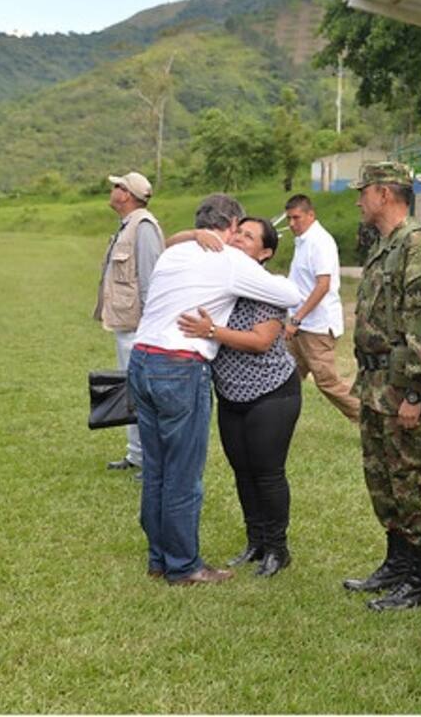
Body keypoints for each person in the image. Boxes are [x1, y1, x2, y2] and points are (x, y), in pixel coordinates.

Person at [128, 194, 301, 586]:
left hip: (142, 361)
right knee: (183, 475)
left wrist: (192, 234)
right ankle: (184, 565)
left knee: (155, 468)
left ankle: (159, 558)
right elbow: (291, 296)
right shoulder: (228, 258)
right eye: (236, 231)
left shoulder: (175, 252)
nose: (238, 238)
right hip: (178, 366)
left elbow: (172, 241)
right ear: (229, 225)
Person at [342, 162, 421, 612]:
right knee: (384, 479)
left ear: (385, 194)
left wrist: (414, 394)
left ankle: (417, 581)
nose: (359, 199)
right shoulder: (385, 244)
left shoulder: (416, 246)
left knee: (411, 481)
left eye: (364, 191)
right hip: (375, 382)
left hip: (401, 386)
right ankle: (396, 563)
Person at [174, 218, 302, 577]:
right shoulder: (221, 276)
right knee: (242, 471)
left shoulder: (269, 287)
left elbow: (262, 342)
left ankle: (277, 548)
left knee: (267, 472)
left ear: (265, 253)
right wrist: (195, 233)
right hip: (231, 393)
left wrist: (211, 330)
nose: (240, 239)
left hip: (271, 392)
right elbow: (170, 243)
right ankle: (255, 542)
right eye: (238, 232)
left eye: (249, 237)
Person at [94, 171, 163, 477]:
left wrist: (150, 325)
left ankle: (150, 460)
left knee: (142, 395)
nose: (112, 190)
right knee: (130, 391)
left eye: (117, 186)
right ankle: (136, 455)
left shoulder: (144, 227)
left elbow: (150, 279)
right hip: (127, 324)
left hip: (139, 326)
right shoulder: (129, 225)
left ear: (127, 194)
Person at [283, 194, 360, 423]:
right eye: (288, 218)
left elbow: (323, 285)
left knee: (327, 382)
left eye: (296, 218)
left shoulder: (320, 242)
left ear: (310, 215)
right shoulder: (304, 241)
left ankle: (368, 419)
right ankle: (279, 421)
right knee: (287, 376)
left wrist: (297, 319)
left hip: (316, 326)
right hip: (300, 325)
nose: (291, 224)